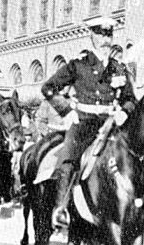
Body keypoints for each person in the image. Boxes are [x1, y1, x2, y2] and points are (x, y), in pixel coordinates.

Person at [42, 16, 138, 229]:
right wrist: (66, 110)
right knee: (69, 160)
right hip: (84, 122)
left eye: (109, 34)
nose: (105, 39)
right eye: (101, 34)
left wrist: (124, 111)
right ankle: (61, 209)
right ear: (92, 36)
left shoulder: (119, 68)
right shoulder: (78, 65)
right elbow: (48, 88)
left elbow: (131, 99)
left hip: (111, 125)